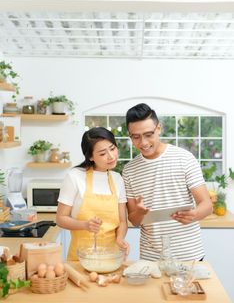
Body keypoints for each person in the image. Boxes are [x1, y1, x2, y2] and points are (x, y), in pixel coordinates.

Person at [122, 103, 213, 262]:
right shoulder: (129, 170)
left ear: (159, 128)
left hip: (189, 257)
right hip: (151, 259)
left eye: (148, 134)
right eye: (136, 137)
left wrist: (194, 214)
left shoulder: (184, 158)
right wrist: (140, 213)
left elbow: (206, 204)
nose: (143, 142)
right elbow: (135, 220)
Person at [57, 127, 129, 261]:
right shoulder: (74, 177)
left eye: (112, 149)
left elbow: (122, 221)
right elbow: (61, 218)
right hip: (79, 260)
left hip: (111, 258)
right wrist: (85, 225)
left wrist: (120, 239)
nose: (111, 156)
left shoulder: (117, 179)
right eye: (102, 153)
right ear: (90, 156)